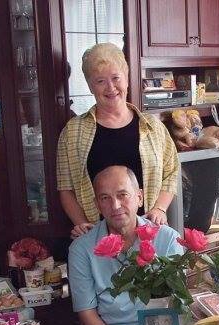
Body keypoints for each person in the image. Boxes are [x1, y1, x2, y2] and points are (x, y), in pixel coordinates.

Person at [57, 43, 178, 239]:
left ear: (126, 79)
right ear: (90, 86)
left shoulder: (153, 127)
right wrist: (82, 225)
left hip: (148, 234)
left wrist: (160, 208)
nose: (111, 87)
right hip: (99, 238)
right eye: (100, 81)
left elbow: (171, 172)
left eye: (115, 78)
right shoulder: (72, 132)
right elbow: (65, 187)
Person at [68, 165, 183, 325]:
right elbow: (87, 313)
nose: (115, 206)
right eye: (105, 198)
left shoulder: (167, 239)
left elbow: (176, 304)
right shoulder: (82, 248)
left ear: (139, 197)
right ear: (97, 205)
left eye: (122, 195)